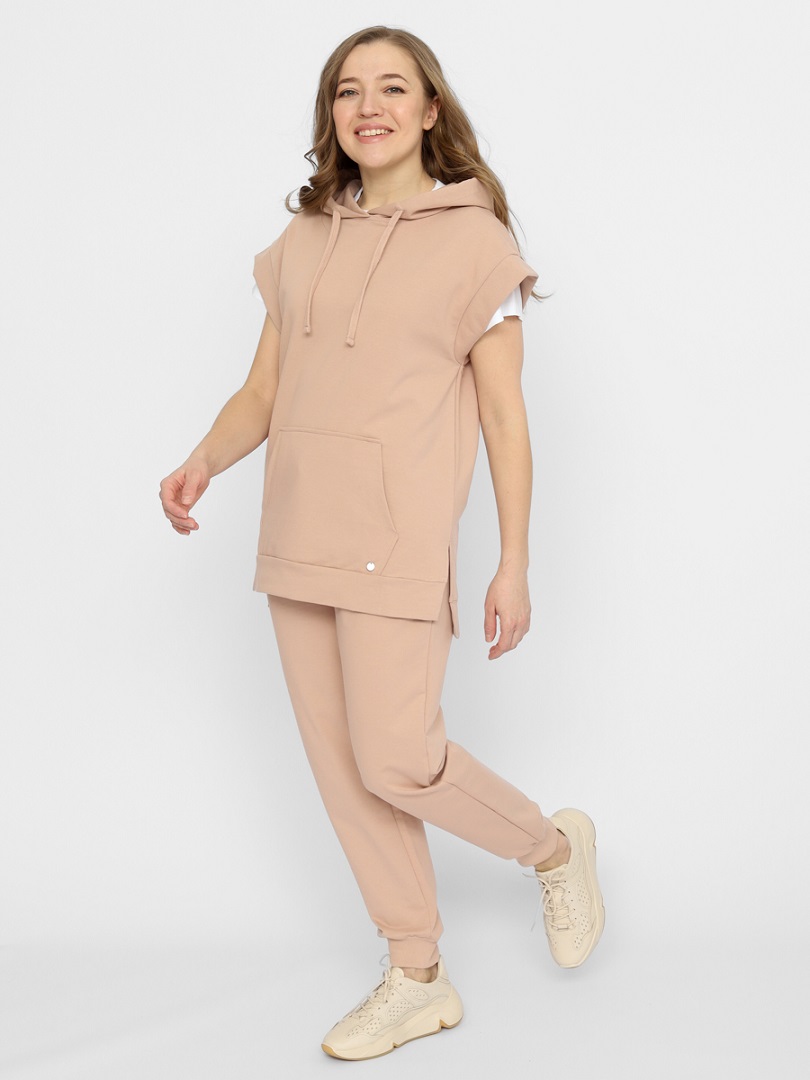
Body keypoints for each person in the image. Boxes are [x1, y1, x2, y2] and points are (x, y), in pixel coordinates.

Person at [159, 24, 604, 1062]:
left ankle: (551, 848)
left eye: (393, 88)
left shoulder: (477, 244)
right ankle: (417, 974)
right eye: (350, 91)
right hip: (296, 536)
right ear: (332, 115)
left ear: (430, 109)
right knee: (344, 772)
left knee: (399, 758)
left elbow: (504, 418)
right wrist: (202, 460)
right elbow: (264, 390)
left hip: (395, 542)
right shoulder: (303, 240)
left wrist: (514, 561)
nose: (371, 108)